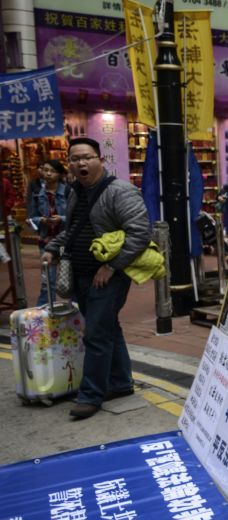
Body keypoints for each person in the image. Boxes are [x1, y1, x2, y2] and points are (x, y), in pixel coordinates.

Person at [42, 137, 151, 420]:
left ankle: (91, 395)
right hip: (81, 274)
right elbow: (73, 229)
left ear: (100, 160)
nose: (81, 163)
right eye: (75, 159)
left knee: (96, 334)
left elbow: (140, 233)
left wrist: (112, 266)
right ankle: (121, 382)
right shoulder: (75, 192)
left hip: (108, 276)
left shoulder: (120, 191)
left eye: (87, 157)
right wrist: (52, 249)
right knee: (106, 328)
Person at [26, 159, 70, 304]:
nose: (48, 174)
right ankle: (44, 317)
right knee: (47, 282)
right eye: (45, 170)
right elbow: (31, 218)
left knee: (68, 279)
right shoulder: (37, 193)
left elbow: (76, 217)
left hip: (65, 242)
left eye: (52, 171)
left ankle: (76, 315)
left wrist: (61, 219)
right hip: (45, 241)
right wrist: (41, 220)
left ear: (60, 174)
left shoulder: (69, 191)